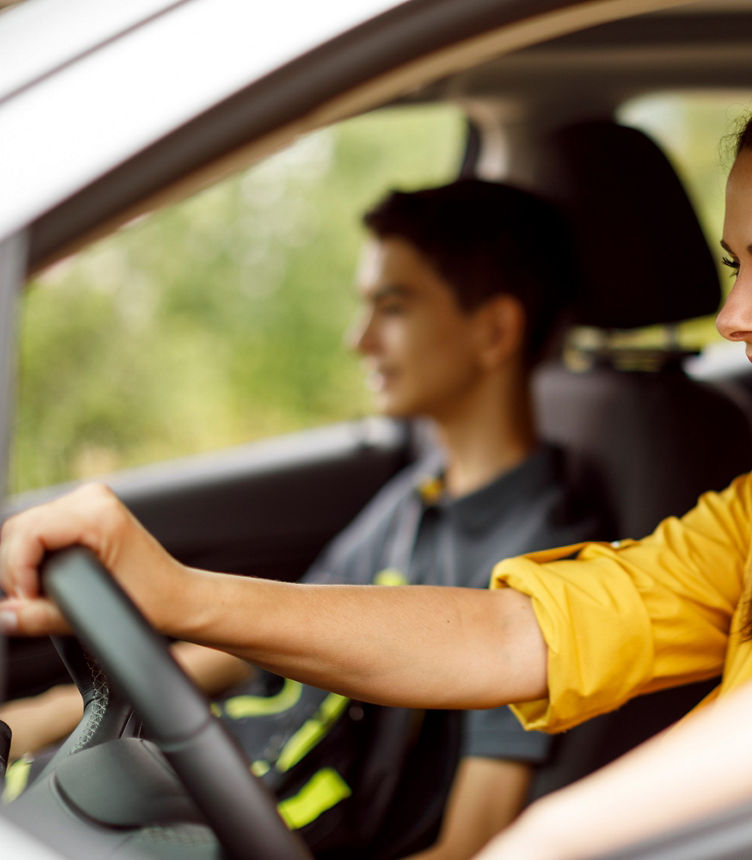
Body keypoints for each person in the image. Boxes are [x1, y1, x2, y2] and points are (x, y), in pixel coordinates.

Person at [0, 56, 752, 858]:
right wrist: (186, 595)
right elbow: (507, 635)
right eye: (738, 268)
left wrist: (553, 837)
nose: (735, 318)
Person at [0, 180, 609, 858]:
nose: (359, 339)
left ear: (494, 329)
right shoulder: (416, 496)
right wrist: (43, 716)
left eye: (394, 306)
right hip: (199, 791)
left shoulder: (546, 559)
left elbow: (470, 844)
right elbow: (254, 639)